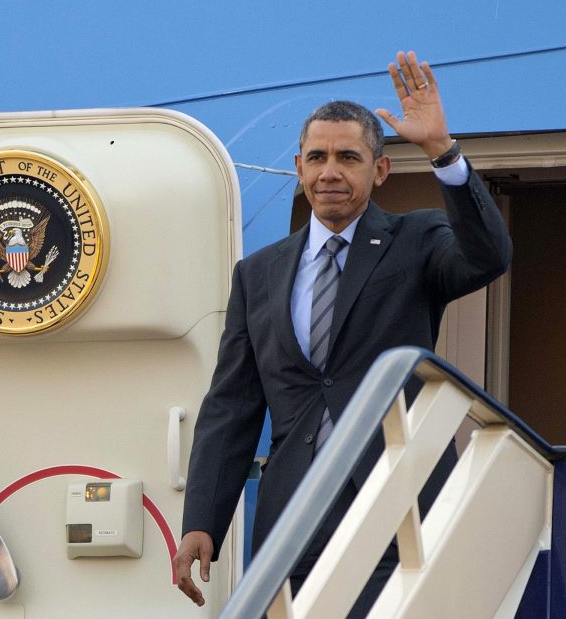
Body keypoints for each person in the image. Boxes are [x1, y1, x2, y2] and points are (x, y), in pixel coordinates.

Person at [173, 50, 512, 616]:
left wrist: (442, 152)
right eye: (317, 157)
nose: (330, 171)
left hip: (401, 503)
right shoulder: (257, 275)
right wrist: (203, 521)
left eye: (348, 157)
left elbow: (488, 257)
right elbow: (232, 404)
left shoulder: (417, 239)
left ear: (379, 170)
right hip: (295, 515)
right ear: (301, 168)